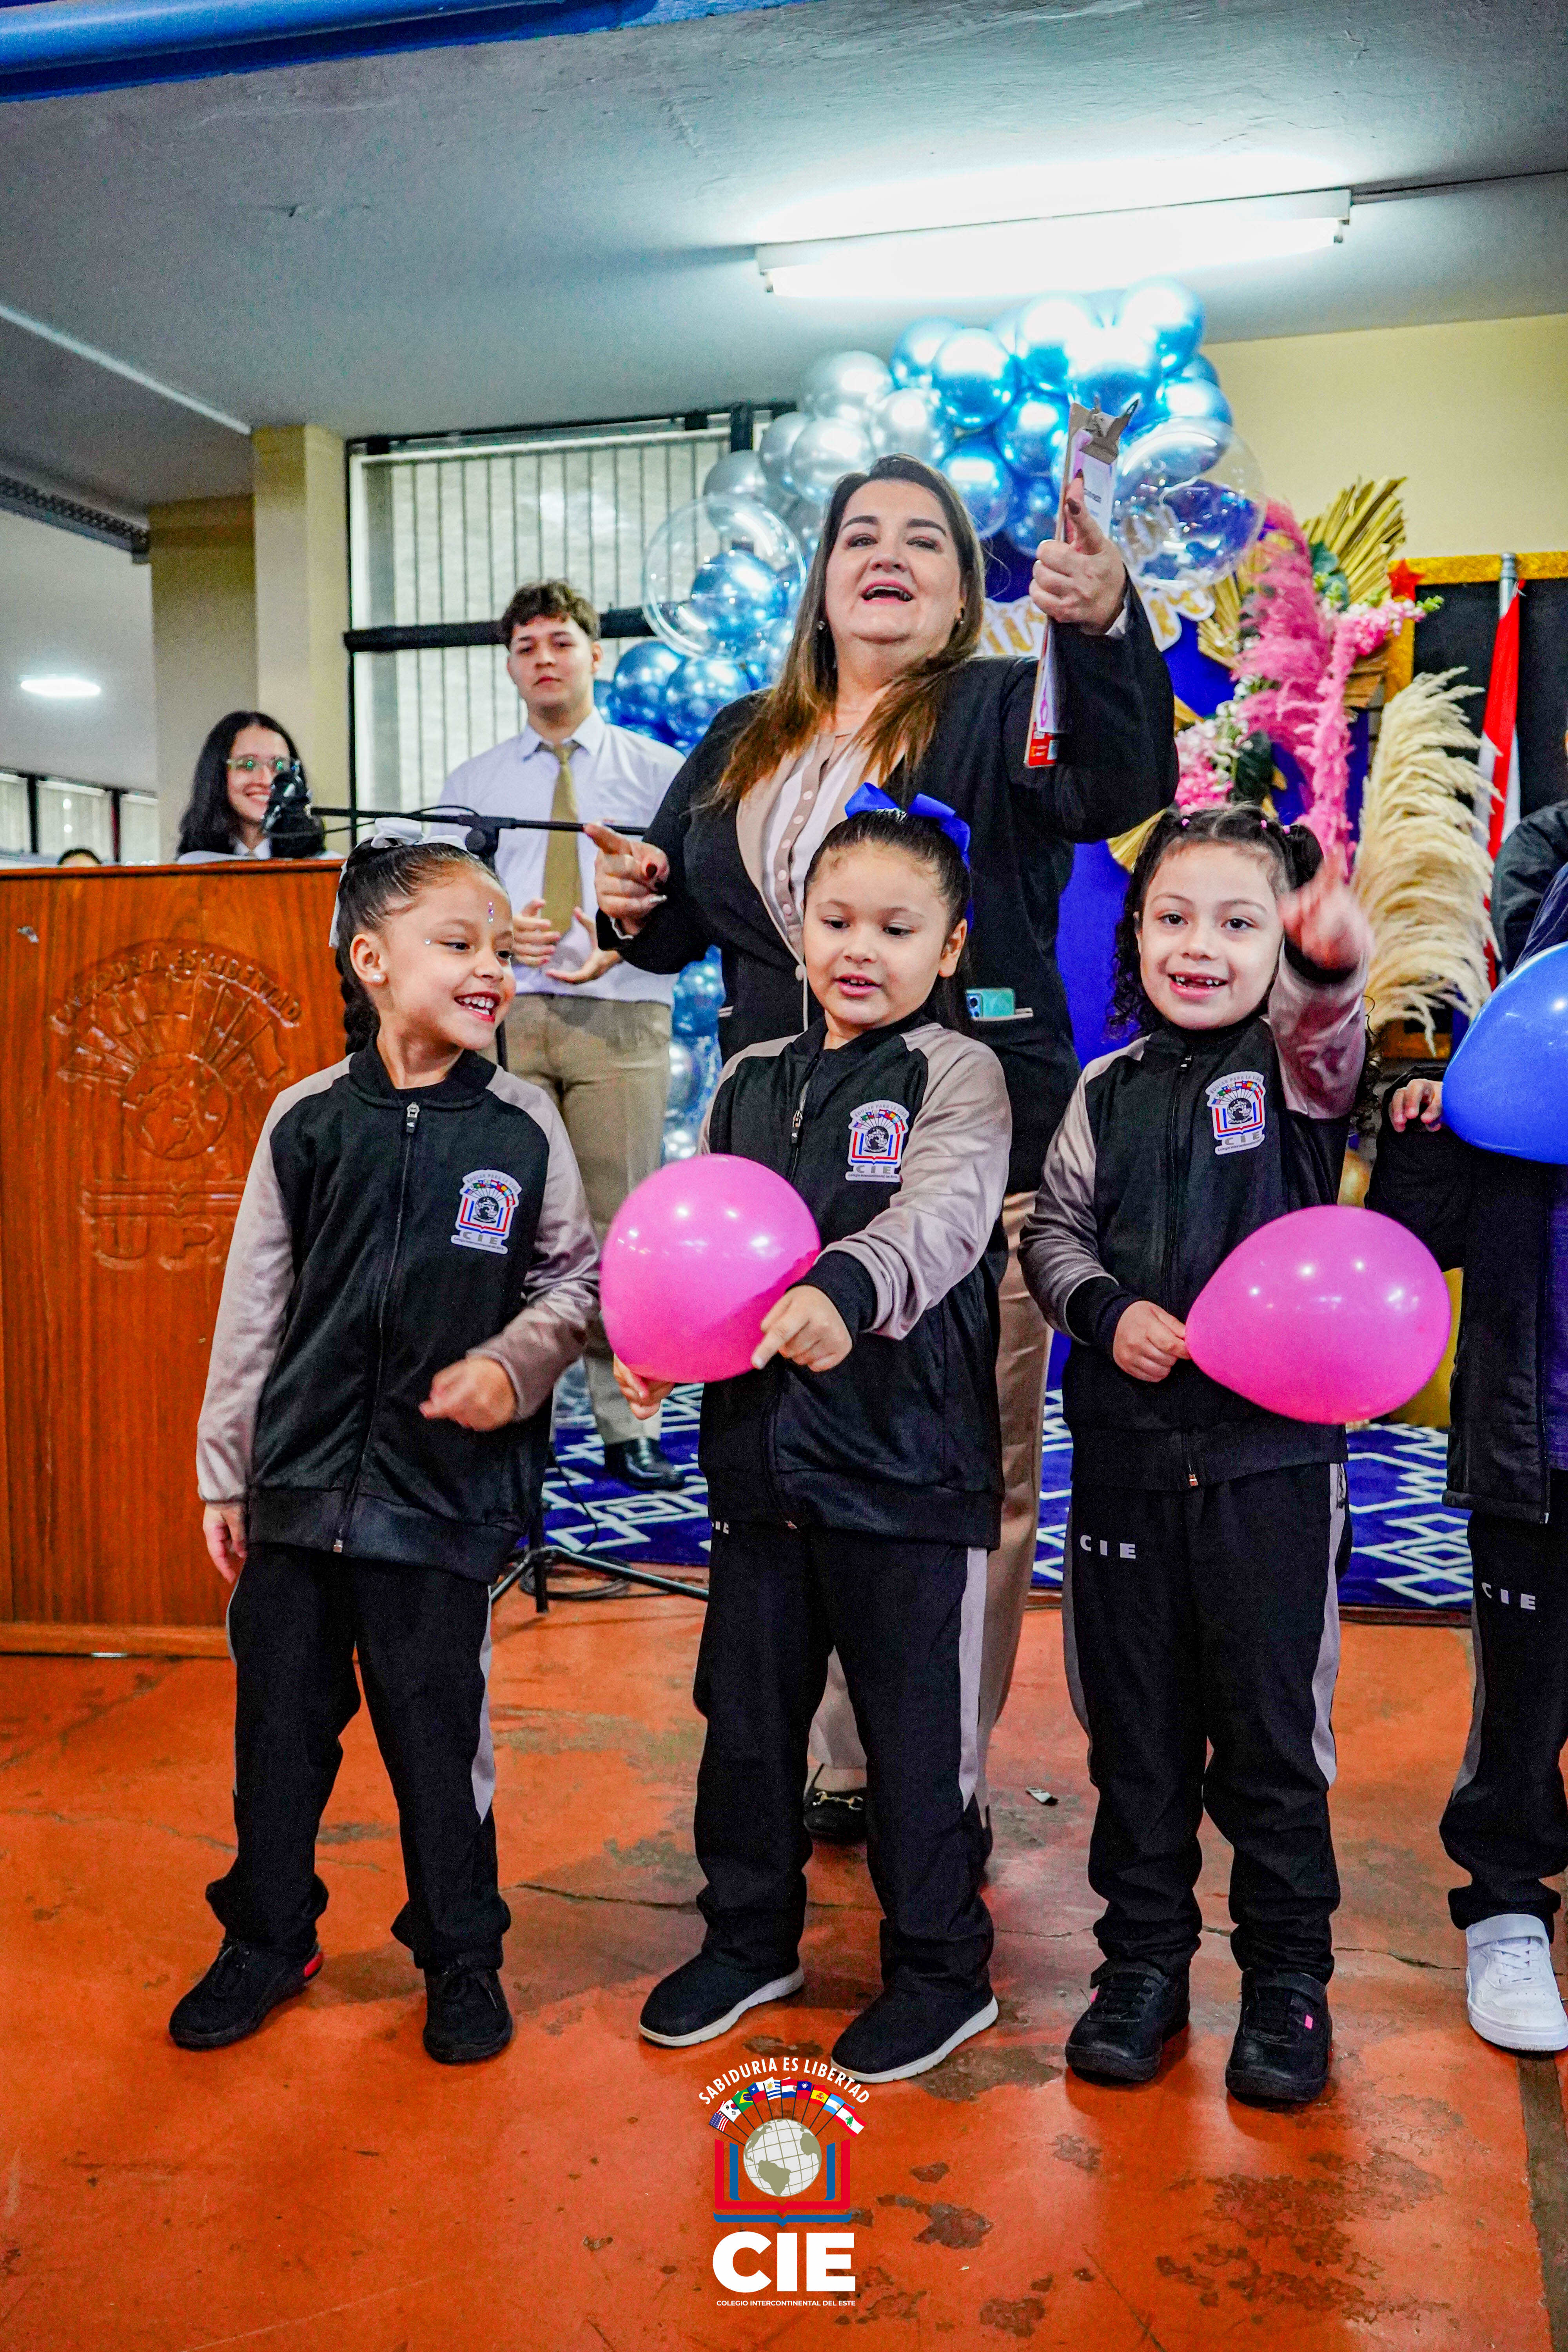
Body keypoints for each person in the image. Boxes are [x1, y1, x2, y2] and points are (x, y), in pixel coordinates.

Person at [592, 452, 1177, 1846]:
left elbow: (1113, 776)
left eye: (926, 540)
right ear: (823, 578)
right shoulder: (745, 733)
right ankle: (813, 1749)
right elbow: (682, 921)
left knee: (957, 1475)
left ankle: (923, 1773)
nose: (888, 554)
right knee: (792, 1465)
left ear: (964, 590)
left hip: (961, 1166)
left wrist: (1095, 628)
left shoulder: (988, 705)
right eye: (861, 534)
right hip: (774, 1181)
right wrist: (631, 898)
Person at [169, 831, 598, 2065]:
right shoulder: (304, 1118)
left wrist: (510, 1363)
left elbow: (574, 1278)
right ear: (371, 959)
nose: (489, 971)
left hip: (441, 1499)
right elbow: (254, 1304)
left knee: (433, 1738)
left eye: (499, 950)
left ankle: (461, 1951)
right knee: (278, 1736)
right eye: (456, 945)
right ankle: (267, 1935)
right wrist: (224, 1465)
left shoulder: (520, 1128)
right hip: (299, 1491)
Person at [615, 808, 1010, 2082]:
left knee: (907, 1742)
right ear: (799, 932)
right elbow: (702, 1240)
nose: (861, 950)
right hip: (760, 1477)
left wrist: (846, 1288)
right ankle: (749, 1939)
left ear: (947, 949)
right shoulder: (749, 1077)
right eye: (837, 922)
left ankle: (942, 1971)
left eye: (896, 930)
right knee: (744, 1723)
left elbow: (946, 1218)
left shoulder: (955, 1074)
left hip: (903, 1474)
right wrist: (659, 1338)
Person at [1020, 802, 1372, 2108]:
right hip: (1120, 1466)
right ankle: (1143, 1967)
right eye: (1173, 917)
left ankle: (1287, 1980)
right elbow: (1053, 1235)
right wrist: (1105, 1317)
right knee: (1139, 1741)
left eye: (1240, 924)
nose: (1200, 946)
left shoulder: (1294, 1074)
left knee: (1274, 1747)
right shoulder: (1104, 1089)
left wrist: (1330, 963)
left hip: (1269, 1473)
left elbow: (1333, 1028)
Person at [1367, 854, 1568, 2054]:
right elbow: (1416, 1235)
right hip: (1534, 1424)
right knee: (1525, 1689)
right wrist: (1425, 1127)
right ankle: (1505, 1907)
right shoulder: (1530, 996)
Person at [441, 582, 686, 1493]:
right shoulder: (475, 783)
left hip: (619, 1011)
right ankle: (508, 1415)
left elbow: (685, 896)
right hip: (504, 1018)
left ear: (595, 655)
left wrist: (622, 926)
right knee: (500, 1226)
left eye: (560, 641)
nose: (543, 657)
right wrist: (500, 935)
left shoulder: (655, 771)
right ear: (509, 666)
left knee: (618, 1226)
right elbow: (447, 902)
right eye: (525, 646)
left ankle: (630, 1423)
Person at [175, 710, 325, 863]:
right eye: (248, 764)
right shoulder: (191, 869)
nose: (267, 780)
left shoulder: (325, 868)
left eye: (279, 765)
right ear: (217, 775)